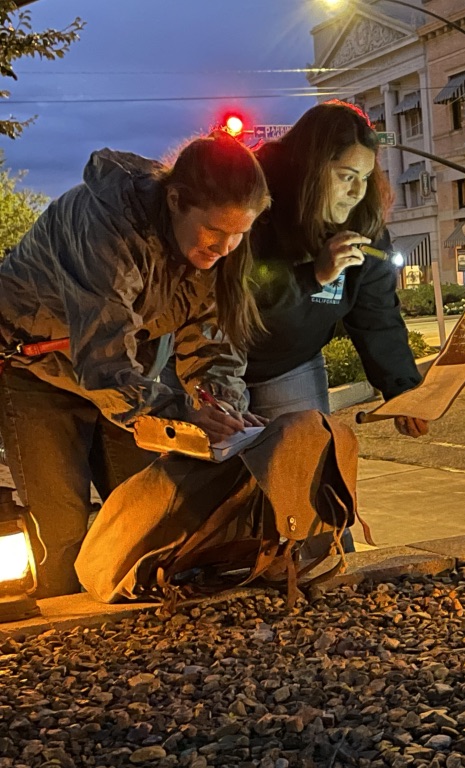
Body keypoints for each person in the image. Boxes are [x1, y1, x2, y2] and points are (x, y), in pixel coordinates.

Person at [0, 133, 271, 598]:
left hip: (132, 373)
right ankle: (66, 634)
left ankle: (140, 622)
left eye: (239, 234)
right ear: (174, 200)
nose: (225, 247)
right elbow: (103, 361)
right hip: (34, 368)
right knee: (62, 520)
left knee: (147, 504)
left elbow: (212, 343)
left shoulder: (216, 245)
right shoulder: (104, 224)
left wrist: (221, 406)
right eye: (214, 231)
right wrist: (180, 411)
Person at [245, 102, 428, 439]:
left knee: (303, 469)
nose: (357, 192)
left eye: (364, 178)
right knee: (222, 477)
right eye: (346, 176)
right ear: (310, 167)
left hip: (291, 364)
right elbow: (239, 301)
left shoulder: (365, 228)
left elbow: (377, 315)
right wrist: (314, 277)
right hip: (218, 363)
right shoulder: (254, 203)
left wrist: (401, 387)